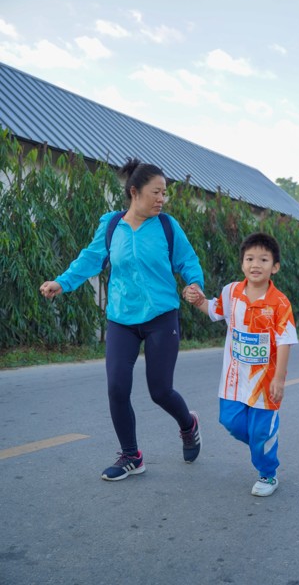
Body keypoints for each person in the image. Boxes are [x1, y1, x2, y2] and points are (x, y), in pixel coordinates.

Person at [40, 158, 204, 481]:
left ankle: (189, 424)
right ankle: (131, 455)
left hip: (161, 316)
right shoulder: (112, 225)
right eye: (156, 192)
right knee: (116, 387)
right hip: (121, 319)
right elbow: (90, 259)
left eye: (164, 193)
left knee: (160, 391)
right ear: (134, 192)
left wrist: (194, 284)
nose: (162, 199)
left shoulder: (167, 227)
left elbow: (187, 261)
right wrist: (62, 282)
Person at [184, 232, 298, 497]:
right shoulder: (232, 292)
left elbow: (285, 340)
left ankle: (268, 474)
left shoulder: (280, 303)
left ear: (275, 267)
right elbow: (215, 310)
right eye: (250, 259)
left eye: (263, 260)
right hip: (234, 379)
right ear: (242, 263)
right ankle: (263, 443)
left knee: (260, 432)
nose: (255, 264)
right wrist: (198, 299)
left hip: (264, 383)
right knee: (230, 421)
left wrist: (279, 378)